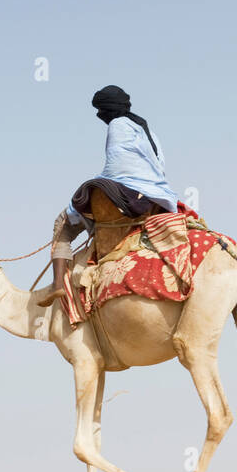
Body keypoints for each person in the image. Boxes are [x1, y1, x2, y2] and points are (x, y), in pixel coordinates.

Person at [49, 85, 179, 324]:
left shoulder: (117, 126)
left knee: (64, 220)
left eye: (100, 110)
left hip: (134, 193)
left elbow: (118, 169)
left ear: (106, 110)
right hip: (159, 194)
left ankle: (58, 285)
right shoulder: (143, 126)